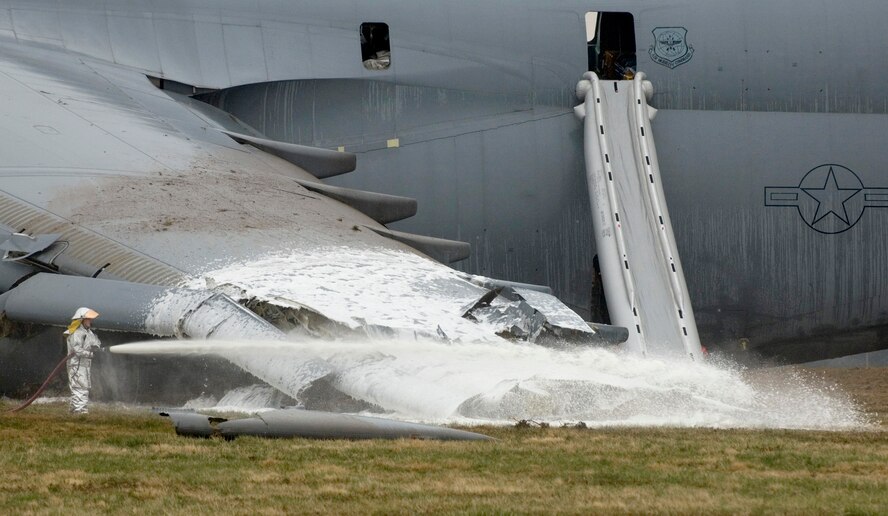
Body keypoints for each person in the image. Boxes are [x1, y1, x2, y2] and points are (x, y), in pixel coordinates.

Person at [64, 307, 101, 414]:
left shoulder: (89, 332)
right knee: (80, 388)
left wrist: (96, 347)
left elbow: (96, 342)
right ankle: (80, 412)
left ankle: (75, 411)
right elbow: (77, 350)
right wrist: (90, 354)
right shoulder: (76, 333)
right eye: (88, 319)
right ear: (81, 319)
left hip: (85, 365)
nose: (90, 321)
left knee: (83, 387)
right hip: (76, 365)